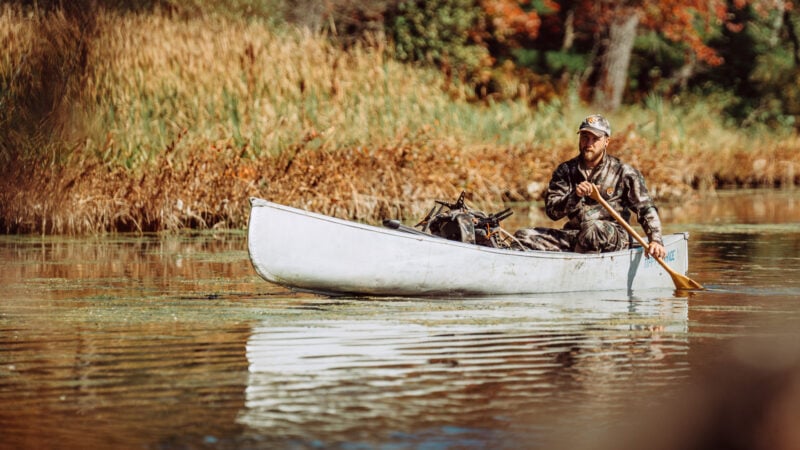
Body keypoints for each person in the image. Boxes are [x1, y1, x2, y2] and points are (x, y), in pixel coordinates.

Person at [514, 114, 666, 259]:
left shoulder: (624, 173)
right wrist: (575, 196)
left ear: (606, 141)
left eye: (595, 139)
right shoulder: (565, 171)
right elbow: (552, 212)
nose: (588, 144)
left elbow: (646, 209)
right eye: (585, 137)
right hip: (575, 235)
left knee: (592, 229)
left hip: (613, 237)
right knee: (523, 236)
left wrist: (656, 240)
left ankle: (579, 269)